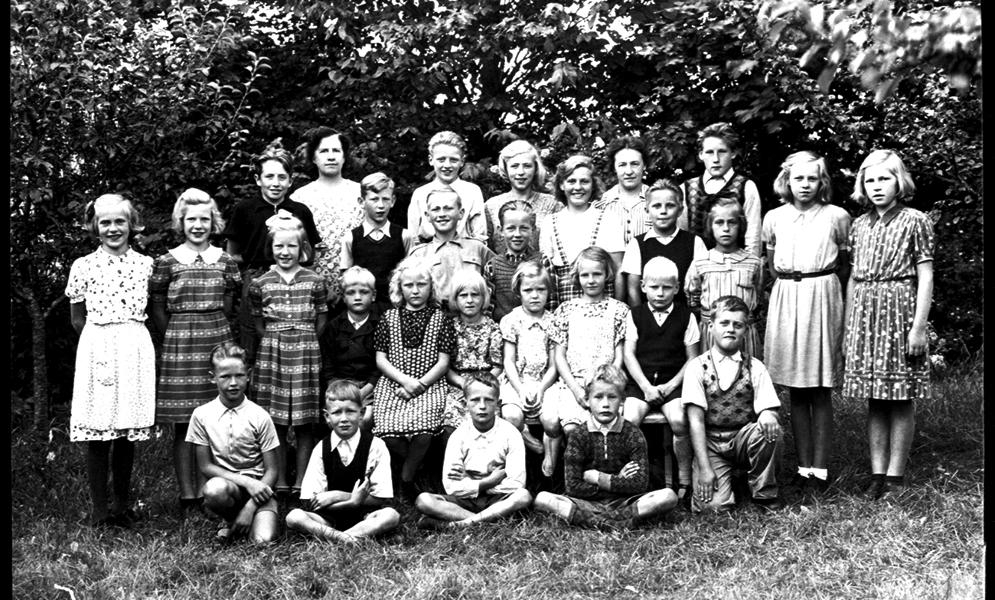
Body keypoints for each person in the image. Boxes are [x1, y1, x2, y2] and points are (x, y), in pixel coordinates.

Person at [843, 149, 934, 501]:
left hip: (899, 311)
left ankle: (896, 476)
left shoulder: (915, 220)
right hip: (866, 313)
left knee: (900, 396)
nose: (877, 186)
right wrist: (850, 325)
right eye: (870, 180)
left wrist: (918, 327)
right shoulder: (859, 225)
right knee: (875, 397)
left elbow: (925, 276)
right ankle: (877, 473)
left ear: (899, 182)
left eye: (884, 178)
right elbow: (853, 278)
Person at [762, 151, 851, 496]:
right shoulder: (774, 217)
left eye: (812, 178)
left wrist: (820, 287)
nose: (805, 185)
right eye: (798, 178)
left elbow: (844, 265)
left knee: (820, 387)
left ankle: (821, 469)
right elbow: (772, 265)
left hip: (823, 296)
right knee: (796, 389)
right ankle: (803, 467)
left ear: (822, 182)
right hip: (788, 296)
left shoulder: (836, 216)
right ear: (787, 181)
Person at [66, 193, 157, 527]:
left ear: (132, 225)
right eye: (105, 222)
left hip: (134, 345)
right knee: (97, 427)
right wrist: (99, 346)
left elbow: (153, 309)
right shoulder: (83, 266)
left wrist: (126, 342)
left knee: (125, 428)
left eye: (120, 221)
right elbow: (77, 318)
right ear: (95, 226)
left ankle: (121, 506)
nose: (113, 228)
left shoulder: (146, 265)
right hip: (98, 346)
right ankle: (100, 511)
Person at [150, 188, 241, 513]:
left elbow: (229, 303)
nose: (198, 225)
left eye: (204, 219)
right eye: (191, 219)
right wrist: (175, 335)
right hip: (180, 343)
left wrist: (212, 326)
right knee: (183, 423)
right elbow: (157, 306)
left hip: (216, 337)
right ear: (181, 222)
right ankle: (187, 494)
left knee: (215, 418)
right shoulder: (167, 261)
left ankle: (210, 491)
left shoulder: (225, 260)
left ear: (213, 222)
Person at [534, 364, 678, 528]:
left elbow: (640, 484)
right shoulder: (579, 435)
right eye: (598, 397)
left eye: (612, 397)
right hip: (587, 503)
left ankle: (594, 522)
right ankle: (619, 522)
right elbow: (573, 487)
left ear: (622, 400)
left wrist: (598, 478)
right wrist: (619, 479)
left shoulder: (632, 433)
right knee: (543, 499)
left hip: (624, 501)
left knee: (668, 496)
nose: (605, 404)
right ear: (587, 400)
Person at [248, 213, 328, 499]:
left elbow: (321, 319)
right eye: (279, 246)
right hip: (273, 352)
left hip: (306, 351)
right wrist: (276, 339)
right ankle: (280, 480)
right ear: (270, 247)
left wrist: (305, 339)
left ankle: (302, 481)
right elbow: (258, 323)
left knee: (305, 422)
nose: (285, 252)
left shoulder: (315, 281)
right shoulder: (260, 283)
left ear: (302, 248)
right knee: (277, 421)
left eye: (291, 246)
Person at [683, 296, 784, 513]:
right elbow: (696, 421)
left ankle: (764, 492)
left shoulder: (755, 366)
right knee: (712, 507)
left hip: (743, 439)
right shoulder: (696, 367)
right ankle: (727, 479)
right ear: (711, 327)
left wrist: (768, 414)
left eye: (737, 325)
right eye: (724, 323)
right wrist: (704, 468)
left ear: (745, 330)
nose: (731, 329)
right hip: (711, 443)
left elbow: (769, 405)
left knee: (769, 430)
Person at [223, 140, 321, 364]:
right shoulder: (245, 209)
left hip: (294, 281)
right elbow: (231, 255)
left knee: (291, 333)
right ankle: (252, 379)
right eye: (269, 176)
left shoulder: (300, 211)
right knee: (252, 335)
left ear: (290, 180)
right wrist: (255, 264)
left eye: (282, 177)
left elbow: (310, 254)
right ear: (258, 179)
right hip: (256, 277)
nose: (275, 183)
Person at [371, 256, 455, 501]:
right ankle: (416, 467)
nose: (415, 290)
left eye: (421, 284)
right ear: (400, 288)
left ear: (431, 287)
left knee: (425, 430)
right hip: (394, 383)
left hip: (429, 383)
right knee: (387, 430)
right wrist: (405, 381)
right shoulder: (389, 317)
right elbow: (381, 359)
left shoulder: (441, 318)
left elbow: (443, 362)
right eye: (409, 285)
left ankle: (406, 480)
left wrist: (420, 384)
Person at [544, 247, 630, 477]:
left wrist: (604, 385)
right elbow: (559, 356)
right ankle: (576, 477)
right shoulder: (566, 310)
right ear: (577, 277)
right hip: (574, 384)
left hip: (606, 385)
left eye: (597, 274)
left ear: (607, 275)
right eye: (585, 275)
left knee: (605, 425)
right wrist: (575, 388)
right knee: (573, 427)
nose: (591, 280)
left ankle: (605, 475)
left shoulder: (619, 310)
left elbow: (619, 355)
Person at [621, 257, 700, 504]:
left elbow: (693, 359)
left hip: (673, 384)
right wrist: (645, 387)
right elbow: (628, 355)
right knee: (629, 420)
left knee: (678, 420)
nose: (660, 293)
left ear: (677, 288)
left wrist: (670, 386)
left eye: (667, 287)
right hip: (641, 383)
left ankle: (684, 479)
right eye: (654, 287)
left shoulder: (687, 316)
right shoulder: (635, 315)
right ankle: (633, 478)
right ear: (643, 286)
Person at [187, 343, 280, 544]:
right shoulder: (201, 415)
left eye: (239, 375)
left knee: (264, 540)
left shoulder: (260, 416)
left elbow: (272, 470)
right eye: (225, 377)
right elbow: (205, 466)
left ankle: (249, 520)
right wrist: (246, 482)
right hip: (229, 488)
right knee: (214, 489)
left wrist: (250, 507)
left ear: (248, 375)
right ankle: (230, 520)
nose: (233, 383)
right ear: (213, 377)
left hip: (260, 491)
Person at [285, 380, 400, 543]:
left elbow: (380, 497)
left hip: (365, 516)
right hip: (327, 518)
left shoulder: (376, 446)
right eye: (337, 412)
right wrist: (351, 502)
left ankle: (336, 538)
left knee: (391, 515)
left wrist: (341, 496)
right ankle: (347, 538)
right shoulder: (321, 449)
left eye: (351, 411)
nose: (344, 418)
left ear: (361, 413)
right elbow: (314, 501)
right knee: (294, 517)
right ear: (327, 416)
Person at [415, 372, 532, 529]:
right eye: (475, 400)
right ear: (465, 403)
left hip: (498, 500)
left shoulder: (510, 433)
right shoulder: (458, 436)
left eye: (489, 400)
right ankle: (489, 523)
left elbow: (516, 484)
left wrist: (469, 481)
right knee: (424, 500)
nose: (482, 406)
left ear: (498, 403)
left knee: (523, 496)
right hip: (467, 502)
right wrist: (488, 482)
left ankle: (461, 524)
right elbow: (451, 487)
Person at [290, 126, 364, 310]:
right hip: (310, 288)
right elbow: (294, 245)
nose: (331, 157)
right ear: (314, 157)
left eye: (336, 151)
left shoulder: (361, 193)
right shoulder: (300, 197)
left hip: (356, 288)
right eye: (324, 151)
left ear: (344, 157)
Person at [539, 155, 626, 305]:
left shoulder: (608, 218)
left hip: (604, 304)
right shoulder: (550, 223)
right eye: (571, 181)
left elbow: (618, 270)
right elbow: (547, 275)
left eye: (584, 181)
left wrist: (618, 308)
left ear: (593, 185)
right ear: (561, 185)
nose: (578, 187)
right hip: (564, 306)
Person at [686, 198, 764, 357]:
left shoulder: (753, 263)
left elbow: (758, 296)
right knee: (711, 369)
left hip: (743, 334)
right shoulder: (701, 262)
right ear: (710, 226)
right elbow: (693, 299)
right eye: (719, 222)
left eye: (732, 222)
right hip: (711, 334)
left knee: (746, 369)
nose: (726, 228)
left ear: (741, 225)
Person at [499, 260, 558, 457]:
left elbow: (554, 365)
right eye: (528, 290)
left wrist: (541, 389)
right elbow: (508, 361)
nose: (534, 295)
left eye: (541, 290)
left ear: (548, 291)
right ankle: (525, 436)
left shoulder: (553, 322)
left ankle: (551, 454)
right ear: (519, 292)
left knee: (551, 421)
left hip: (545, 382)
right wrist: (521, 388)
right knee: (511, 416)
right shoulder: (511, 320)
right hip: (517, 381)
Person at [679, 122, 762, 257]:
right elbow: (681, 236)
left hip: (736, 264)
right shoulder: (687, 188)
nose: (716, 159)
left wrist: (750, 265)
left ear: (733, 153)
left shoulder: (745, 186)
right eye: (709, 152)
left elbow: (753, 236)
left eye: (722, 152)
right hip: (697, 264)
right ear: (701, 155)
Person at [622, 179, 707, 308]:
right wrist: (641, 317)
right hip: (648, 316)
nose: (663, 211)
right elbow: (633, 291)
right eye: (656, 206)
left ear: (680, 210)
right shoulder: (637, 244)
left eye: (670, 206)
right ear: (647, 210)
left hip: (685, 315)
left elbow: (704, 285)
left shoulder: (695, 242)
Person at [339, 172, 414, 316]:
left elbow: (410, 276)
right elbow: (346, 280)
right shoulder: (351, 238)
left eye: (385, 199)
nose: (380, 205)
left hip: (396, 310)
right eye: (374, 199)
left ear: (393, 201)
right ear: (362, 202)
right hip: (362, 311)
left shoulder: (404, 236)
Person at [407, 187, 494, 308]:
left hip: (471, 314)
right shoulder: (419, 254)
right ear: (427, 216)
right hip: (435, 315)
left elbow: (496, 283)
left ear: (461, 213)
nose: (442, 214)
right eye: (436, 209)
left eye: (448, 208)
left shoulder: (478, 248)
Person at [441, 270, 503, 439]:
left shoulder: (493, 328)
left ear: (483, 298)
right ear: (455, 299)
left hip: (486, 384)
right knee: (449, 427)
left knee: (488, 423)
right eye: (463, 295)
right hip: (458, 384)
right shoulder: (448, 328)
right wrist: (462, 383)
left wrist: (482, 384)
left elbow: (498, 366)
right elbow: (445, 366)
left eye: (475, 295)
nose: (469, 300)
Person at [318, 266, 381, 432]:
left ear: (373, 295)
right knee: (337, 418)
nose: (357, 297)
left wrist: (367, 389)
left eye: (364, 292)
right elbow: (328, 365)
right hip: (340, 386)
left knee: (364, 419)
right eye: (351, 293)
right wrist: (336, 388)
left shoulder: (381, 325)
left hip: (370, 388)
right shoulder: (334, 326)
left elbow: (381, 365)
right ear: (343, 297)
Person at [483, 139, 561, 254]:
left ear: (535, 168)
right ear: (506, 169)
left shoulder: (552, 205)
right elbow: (485, 250)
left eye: (527, 166)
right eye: (514, 166)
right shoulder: (491, 206)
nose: (520, 172)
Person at [407, 131, 487, 243]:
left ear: (462, 161)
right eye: (441, 159)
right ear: (431, 160)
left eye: (454, 160)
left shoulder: (472, 191)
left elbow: (479, 235)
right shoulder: (420, 194)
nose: (447, 165)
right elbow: (413, 237)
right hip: (428, 251)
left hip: (465, 251)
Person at [483, 200, 544, 322]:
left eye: (524, 228)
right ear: (501, 230)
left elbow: (551, 302)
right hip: (502, 329)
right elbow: (487, 307)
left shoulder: (543, 262)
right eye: (511, 228)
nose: (517, 234)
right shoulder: (492, 266)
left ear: (533, 229)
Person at [594, 135, 652, 244]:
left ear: (644, 165)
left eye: (635, 164)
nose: (629, 171)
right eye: (622, 165)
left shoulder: (657, 200)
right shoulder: (602, 204)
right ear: (614, 168)